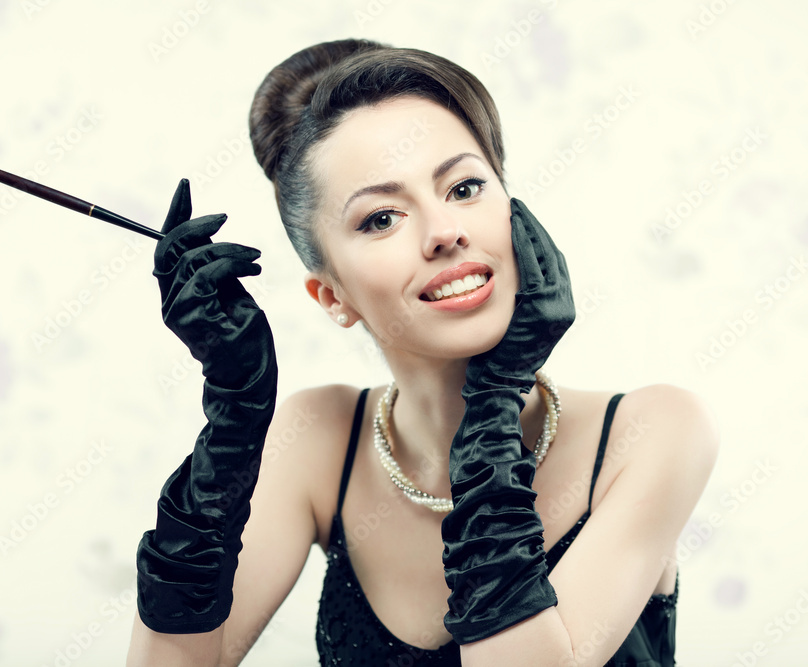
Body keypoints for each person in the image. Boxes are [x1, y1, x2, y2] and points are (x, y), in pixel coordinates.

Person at [126, 38, 719, 666]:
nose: (444, 232)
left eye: (464, 187)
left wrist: (494, 399)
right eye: (381, 218)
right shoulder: (320, 438)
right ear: (333, 296)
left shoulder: (656, 431)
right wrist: (234, 413)